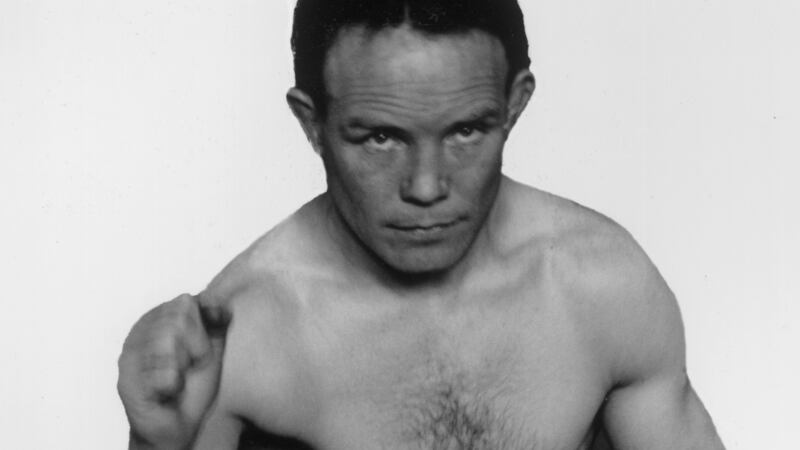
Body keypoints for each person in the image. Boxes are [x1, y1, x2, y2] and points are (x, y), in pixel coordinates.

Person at [117, 0, 726, 448]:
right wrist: (156, 447)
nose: (427, 187)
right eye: (381, 138)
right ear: (313, 125)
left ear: (514, 106)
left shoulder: (600, 286)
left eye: (466, 130)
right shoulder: (244, 336)